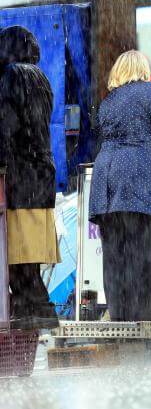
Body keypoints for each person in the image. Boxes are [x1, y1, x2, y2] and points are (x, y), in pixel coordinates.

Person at [89, 50, 151, 322]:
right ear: (142, 69)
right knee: (140, 258)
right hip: (139, 181)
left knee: (114, 258)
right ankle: (144, 323)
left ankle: (120, 318)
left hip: (107, 184)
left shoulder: (108, 101)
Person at [0, 25, 60, 329]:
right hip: (40, 178)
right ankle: (33, 316)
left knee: (19, 262)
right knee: (29, 261)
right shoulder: (41, 77)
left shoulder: (12, 76)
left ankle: (38, 315)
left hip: (20, 177)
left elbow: (6, 128)